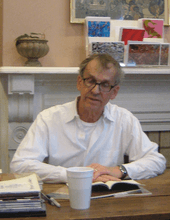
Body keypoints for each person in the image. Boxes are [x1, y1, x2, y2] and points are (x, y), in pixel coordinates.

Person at [10, 53, 166, 183]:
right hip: (63, 198)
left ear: (114, 92)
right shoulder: (49, 118)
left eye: (105, 85)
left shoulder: (124, 119)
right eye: (91, 81)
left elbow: (157, 161)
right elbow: (20, 165)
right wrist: (77, 175)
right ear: (79, 82)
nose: (95, 91)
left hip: (108, 198)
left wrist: (119, 170)